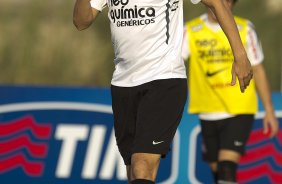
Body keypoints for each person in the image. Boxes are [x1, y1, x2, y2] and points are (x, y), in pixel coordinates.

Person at [73, 0, 253, 183]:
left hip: (163, 79)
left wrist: (240, 56)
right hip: (123, 85)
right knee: (134, 173)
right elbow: (81, 21)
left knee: (141, 166)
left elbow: (217, 4)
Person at [182, 0, 279, 183]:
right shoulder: (191, 30)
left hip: (239, 109)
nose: (222, 4)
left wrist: (269, 110)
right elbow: (173, 63)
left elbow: (258, 69)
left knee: (227, 168)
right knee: (218, 173)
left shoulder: (245, 28)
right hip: (207, 110)